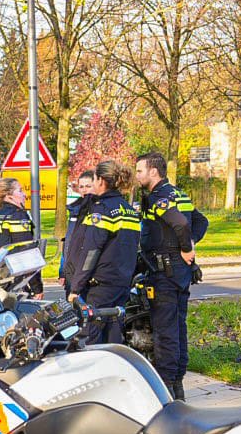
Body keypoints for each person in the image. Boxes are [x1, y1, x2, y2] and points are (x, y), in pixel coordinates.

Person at [136, 152, 200, 400]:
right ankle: (179, 385)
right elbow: (200, 222)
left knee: (165, 332)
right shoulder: (178, 193)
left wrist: (184, 248)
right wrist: (189, 247)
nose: (137, 175)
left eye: (140, 171)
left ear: (154, 172)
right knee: (178, 327)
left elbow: (182, 224)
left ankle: (168, 388)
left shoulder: (158, 197)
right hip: (179, 271)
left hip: (165, 271)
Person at [64, 159, 140, 344]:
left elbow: (91, 252)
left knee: (89, 338)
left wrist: (75, 287)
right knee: (113, 336)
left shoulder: (101, 211)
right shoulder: (128, 210)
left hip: (100, 286)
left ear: (101, 181)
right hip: (121, 283)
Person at [0, 177, 43, 295]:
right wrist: (37, 288)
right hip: (15, 286)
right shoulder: (17, 216)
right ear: (9, 196)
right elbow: (27, 253)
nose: (24, 195)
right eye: (20, 191)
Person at [60, 169, 96, 284]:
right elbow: (68, 241)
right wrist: (62, 271)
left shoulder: (99, 209)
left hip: (89, 269)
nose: (84, 190)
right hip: (72, 268)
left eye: (88, 186)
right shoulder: (74, 209)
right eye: (81, 187)